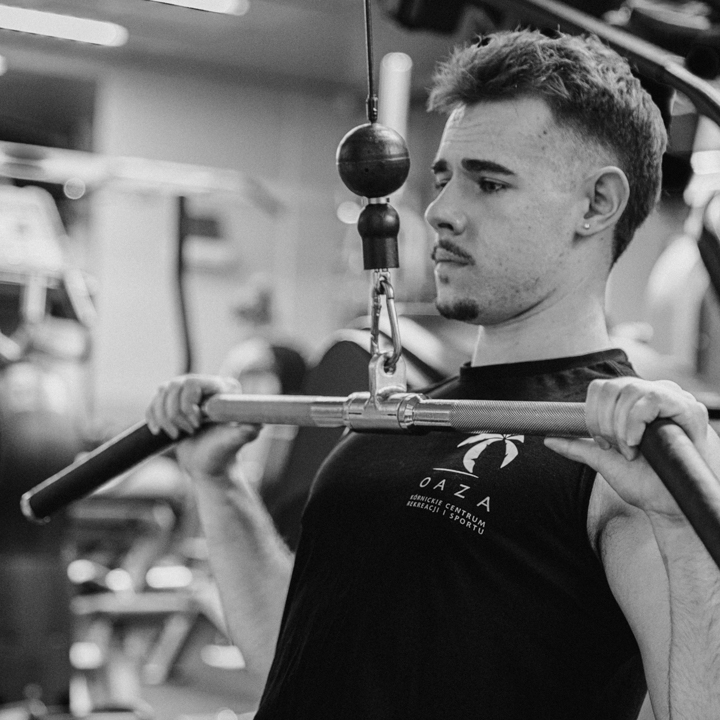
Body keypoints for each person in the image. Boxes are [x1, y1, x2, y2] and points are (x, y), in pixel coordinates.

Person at [145, 30, 720, 719]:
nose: (440, 211)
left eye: (489, 182)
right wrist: (217, 484)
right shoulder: (394, 424)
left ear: (597, 204)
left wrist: (684, 532)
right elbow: (292, 658)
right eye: (444, 178)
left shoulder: (627, 459)